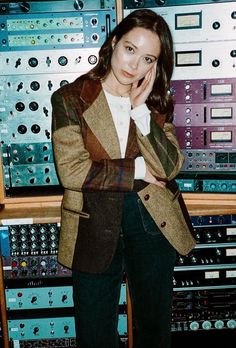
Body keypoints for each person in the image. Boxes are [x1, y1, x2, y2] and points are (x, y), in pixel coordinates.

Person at [51, 8, 196, 348]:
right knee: (95, 333)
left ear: (156, 65)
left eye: (148, 59)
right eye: (130, 49)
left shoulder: (156, 103)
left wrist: (140, 110)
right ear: (114, 41)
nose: (134, 65)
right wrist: (142, 170)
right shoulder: (71, 99)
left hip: (150, 218)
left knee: (154, 328)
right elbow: (72, 171)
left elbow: (171, 167)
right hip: (93, 218)